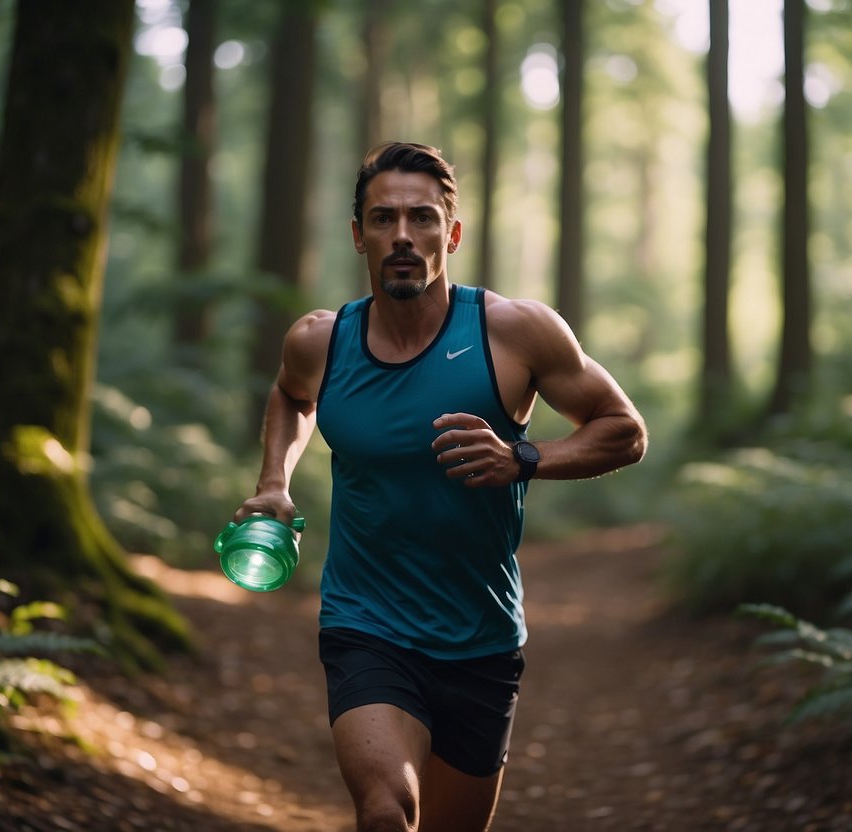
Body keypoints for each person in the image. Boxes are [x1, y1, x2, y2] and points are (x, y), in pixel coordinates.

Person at [234, 141, 647, 832]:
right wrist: (274, 481)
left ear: (450, 233)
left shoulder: (514, 332)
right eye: (383, 218)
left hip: (479, 635)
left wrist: (523, 457)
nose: (402, 235)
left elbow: (623, 430)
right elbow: (292, 397)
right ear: (357, 234)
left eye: (422, 218)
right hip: (364, 624)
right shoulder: (320, 341)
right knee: (386, 809)